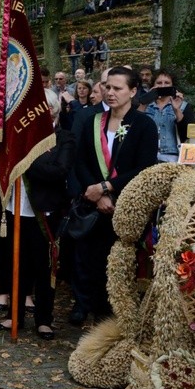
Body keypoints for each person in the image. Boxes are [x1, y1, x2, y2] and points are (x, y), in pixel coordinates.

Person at [71, 66, 158, 323]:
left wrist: (108, 188)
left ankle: (109, 309)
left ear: (132, 91)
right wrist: (96, 193)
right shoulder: (92, 122)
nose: (110, 93)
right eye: (107, 87)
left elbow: (144, 167)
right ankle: (82, 303)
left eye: (117, 88)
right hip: (93, 201)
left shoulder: (144, 125)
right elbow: (81, 161)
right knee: (87, 255)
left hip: (125, 203)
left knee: (116, 258)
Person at [0, 89, 75, 339]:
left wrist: (26, 159)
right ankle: (14, 315)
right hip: (14, 209)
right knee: (16, 264)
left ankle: (44, 319)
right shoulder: (20, 137)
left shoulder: (64, 138)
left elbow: (58, 171)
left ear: (51, 110)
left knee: (43, 267)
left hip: (44, 212)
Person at [141, 69, 194, 162]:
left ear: (172, 86)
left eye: (167, 83)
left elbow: (188, 134)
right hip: (147, 154)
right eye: (159, 83)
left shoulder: (183, 105)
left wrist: (176, 109)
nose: (162, 86)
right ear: (153, 85)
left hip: (172, 156)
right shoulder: (145, 105)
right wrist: (146, 100)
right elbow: (133, 125)